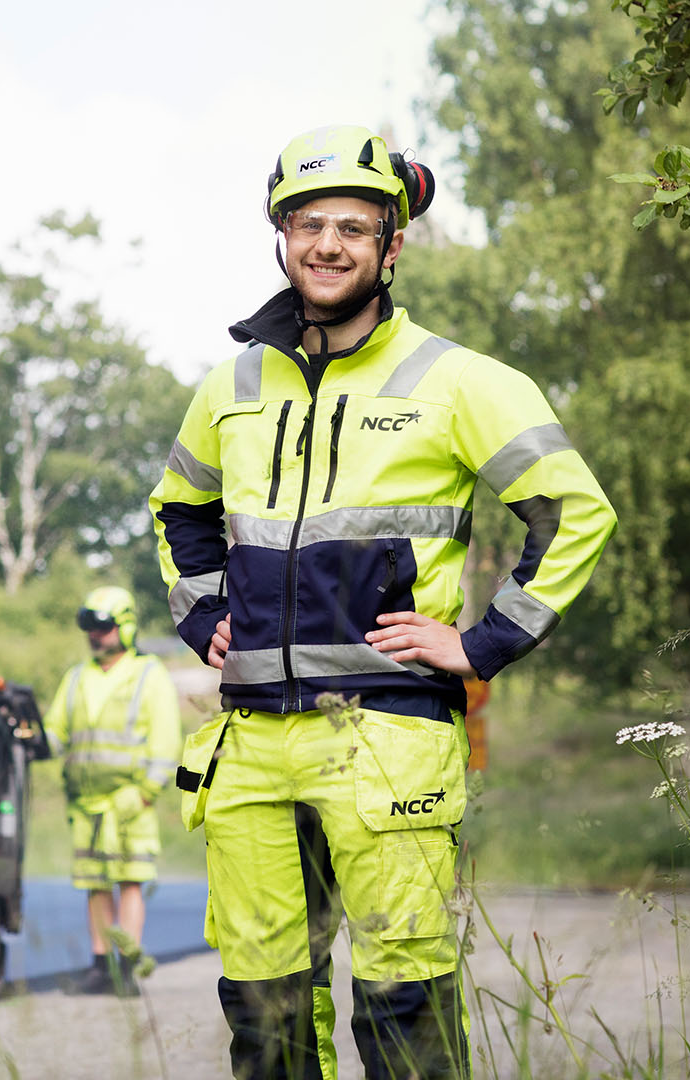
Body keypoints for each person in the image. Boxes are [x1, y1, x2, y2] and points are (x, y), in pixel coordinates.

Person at [148, 125, 616, 1078]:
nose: (327, 244)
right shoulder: (230, 383)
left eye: (353, 228)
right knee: (264, 1012)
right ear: (280, 235)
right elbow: (179, 510)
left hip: (386, 734)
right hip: (250, 748)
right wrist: (201, 618)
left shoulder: (459, 379)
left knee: (404, 1006)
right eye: (308, 222)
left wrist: (482, 644)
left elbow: (575, 512)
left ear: (391, 247)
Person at [44, 586, 180, 995]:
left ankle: (126, 967)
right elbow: (56, 733)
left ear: (124, 626)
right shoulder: (76, 677)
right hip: (86, 805)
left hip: (128, 803)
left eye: (102, 627)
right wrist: (26, 737)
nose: (94, 635)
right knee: (95, 884)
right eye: (89, 627)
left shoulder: (148, 673)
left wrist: (145, 791)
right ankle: (100, 966)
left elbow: (165, 737)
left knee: (130, 881)